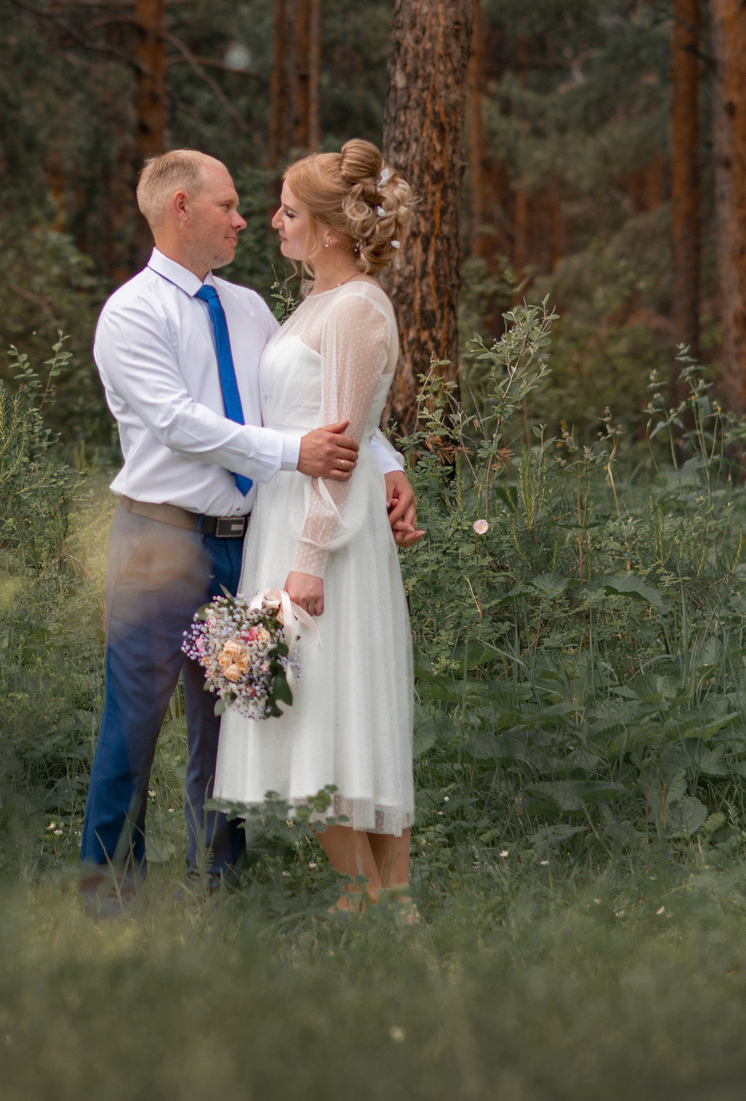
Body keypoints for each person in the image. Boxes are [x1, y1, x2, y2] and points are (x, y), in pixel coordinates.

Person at [79, 148, 415, 913]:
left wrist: (387, 460)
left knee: (228, 724)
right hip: (160, 541)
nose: (245, 220)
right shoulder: (132, 312)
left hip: (247, 539)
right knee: (133, 724)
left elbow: (324, 403)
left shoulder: (251, 307)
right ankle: (108, 900)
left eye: (253, 205)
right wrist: (292, 453)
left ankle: (215, 889)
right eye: (228, 205)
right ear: (180, 210)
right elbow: (178, 422)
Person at [213, 139, 426, 917]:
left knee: (333, 707)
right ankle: (382, 900)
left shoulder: (358, 308)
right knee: (317, 707)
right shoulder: (311, 303)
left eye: (290, 211)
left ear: (332, 229)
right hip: (289, 516)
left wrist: (306, 561)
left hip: (324, 534)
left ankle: (373, 894)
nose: (273, 220)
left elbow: (340, 447)